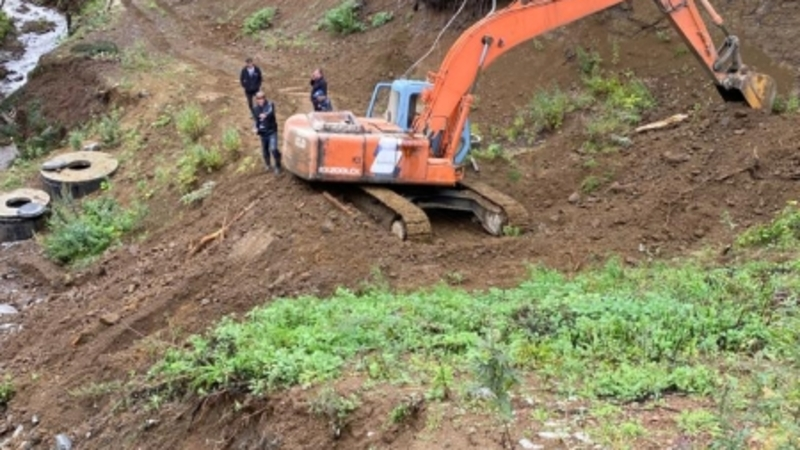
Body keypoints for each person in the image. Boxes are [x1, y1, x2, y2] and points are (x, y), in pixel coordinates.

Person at [252, 92, 281, 174]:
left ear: (265, 98)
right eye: (259, 99)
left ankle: (277, 165)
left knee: (273, 149)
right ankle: (268, 164)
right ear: (256, 100)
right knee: (265, 150)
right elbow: (256, 120)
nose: (261, 100)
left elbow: (271, 112)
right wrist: (255, 127)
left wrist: (266, 115)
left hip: (272, 131)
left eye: (262, 98)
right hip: (263, 133)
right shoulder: (255, 109)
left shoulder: (270, 105)